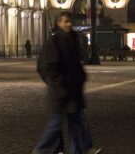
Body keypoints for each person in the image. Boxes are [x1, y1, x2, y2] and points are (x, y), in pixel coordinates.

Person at [33, 12, 101, 154]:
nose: (69, 24)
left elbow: (75, 64)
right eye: (65, 22)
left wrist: (80, 77)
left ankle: (80, 149)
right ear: (59, 23)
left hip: (73, 89)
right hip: (61, 90)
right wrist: (58, 83)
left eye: (70, 21)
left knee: (77, 121)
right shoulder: (55, 41)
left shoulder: (73, 38)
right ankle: (41, 150)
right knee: (55, 124)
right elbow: (45, 67)